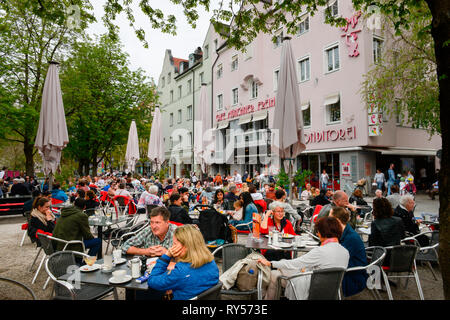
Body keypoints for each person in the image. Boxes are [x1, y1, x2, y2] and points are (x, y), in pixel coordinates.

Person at [258, 216, 349, 300]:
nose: (317, 234)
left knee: (275, 273)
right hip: (330, 290)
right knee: (280, 268)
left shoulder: (320, 251)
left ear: (322, 232)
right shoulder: (345, 252)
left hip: (310, 289)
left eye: (318, 231)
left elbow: (295, 264)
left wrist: (270, 263)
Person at [146, 224, 219, 300]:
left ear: (186, 246)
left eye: (174, 244)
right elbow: (194, 282)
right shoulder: (212, 263)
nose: (172, 247)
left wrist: (166, 256)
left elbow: (152, 281)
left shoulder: (181, 272)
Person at [329, 207, 368, 297]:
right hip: (347, 269)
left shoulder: (351, 237)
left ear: (337, 220)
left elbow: (336, 259)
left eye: (330, 217)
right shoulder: (343, 231)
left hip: (351, 276)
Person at [369, 197, 405, 265]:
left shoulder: (375, 223)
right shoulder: (399, 220)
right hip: (397, 256)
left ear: (375, 210)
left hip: (382, 257)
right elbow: (403, 237)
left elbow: (372, 245)